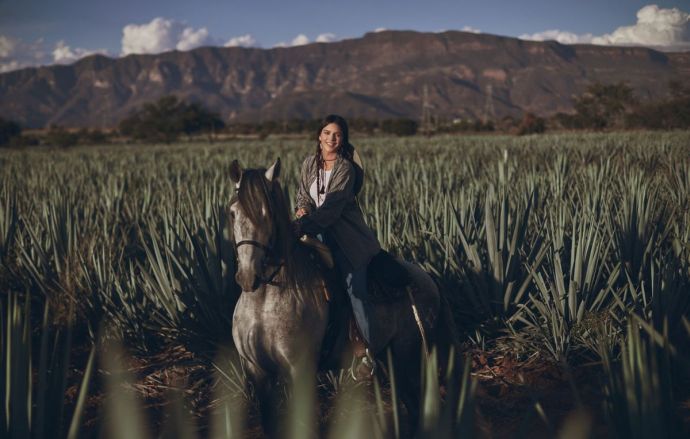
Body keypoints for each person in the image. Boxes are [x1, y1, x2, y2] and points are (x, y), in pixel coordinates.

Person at [293, 114, 380, 379]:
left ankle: (369, 353)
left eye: (338, 134)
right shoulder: (309, 163)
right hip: (314, 236)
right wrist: (301, 210)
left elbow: (331, 209)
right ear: (319, 136)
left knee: (356, 290)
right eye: (327, 133)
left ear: (343, 140)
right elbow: (303, 195)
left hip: (346, 238)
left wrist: (302, 225)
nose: (332, 138)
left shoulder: (345, 168)